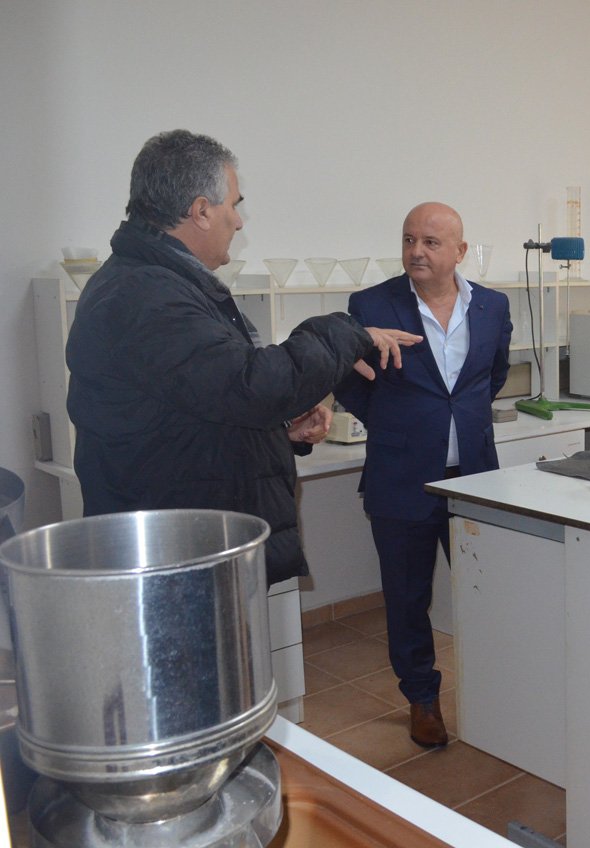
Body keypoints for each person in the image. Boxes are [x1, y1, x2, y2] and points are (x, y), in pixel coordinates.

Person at [66, 129, 420, 586]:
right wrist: (347, 334)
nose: (238, 221)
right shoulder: (148, 295)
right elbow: (253, 387)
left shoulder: (160, 283)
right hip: (172, 554)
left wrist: (275, 433)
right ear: (201, 211)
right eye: (233, 205)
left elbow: (206, 403)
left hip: (185, 537)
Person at [333, 202, 512, 749]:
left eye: (431, 242)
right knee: (407, 597)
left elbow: (493, 375)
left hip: (474, 479)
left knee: (486, 590)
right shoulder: (371, 305)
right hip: (401, 476)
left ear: (460, 251)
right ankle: (422, 699)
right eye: (409, 239)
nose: (416, 251)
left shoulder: (492, 306)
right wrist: (397, 424)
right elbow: (350, 379)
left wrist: (458, 420)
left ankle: (497, 692)